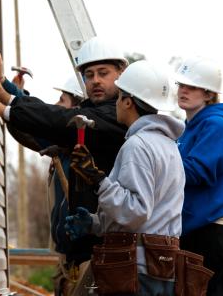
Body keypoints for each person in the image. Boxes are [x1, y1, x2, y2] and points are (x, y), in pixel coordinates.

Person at [0, 37, 128, 280]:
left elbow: (56, 119)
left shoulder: (114, 118)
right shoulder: (92, 115)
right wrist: (6, 92)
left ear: (122, 74)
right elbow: (46, 124)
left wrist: (7, 106)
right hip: (83, 253)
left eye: (103, 73)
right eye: (89, 75)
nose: (96, 80)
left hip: (105, 252)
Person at [64, 60, 186, 296]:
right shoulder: (169, 146)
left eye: (119, 96)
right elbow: (150, 215)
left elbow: (135, 212)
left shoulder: (138, 145)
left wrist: (98, 180)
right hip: (160, 264)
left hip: (135, 270)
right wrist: (96, 223)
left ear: (128, 101)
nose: (116, 103)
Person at [174, 56, 223, 296]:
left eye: (191, 86)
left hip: (211, 230)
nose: (183, 90)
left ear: (208, 93)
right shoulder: (188, 127)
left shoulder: (216, 125)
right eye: (181, 85)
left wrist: (157, 163)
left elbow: (197, 171)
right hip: (194, 228)